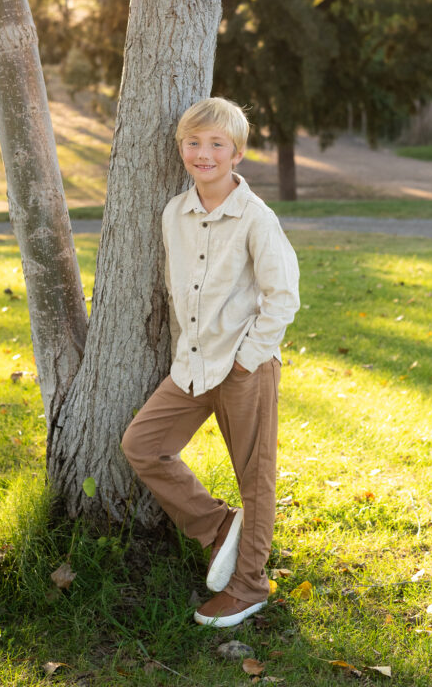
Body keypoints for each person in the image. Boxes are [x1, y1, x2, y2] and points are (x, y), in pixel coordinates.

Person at [121, 97, 300, 628]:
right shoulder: (174, 213)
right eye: (193, 143)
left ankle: (249, 585)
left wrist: (246, 362)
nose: (204, 153)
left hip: (245, 367)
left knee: (255, 477)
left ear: (237, 153)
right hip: (192, 366)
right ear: (181, 149)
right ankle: (220, 528)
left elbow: (283, 296)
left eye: (216, 144)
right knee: (143, 445)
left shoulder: (256, 219)